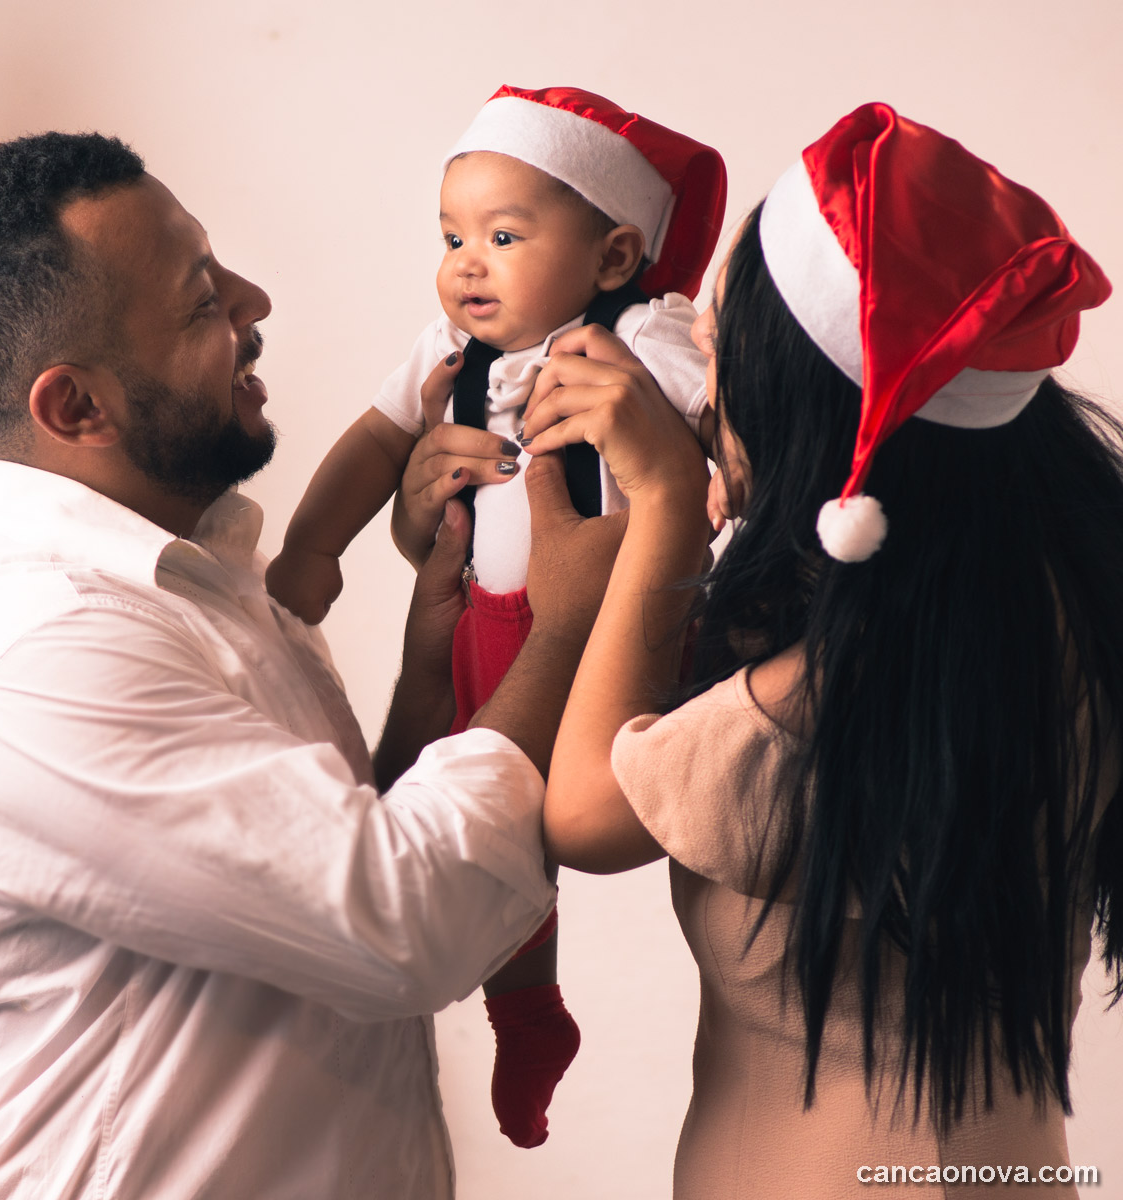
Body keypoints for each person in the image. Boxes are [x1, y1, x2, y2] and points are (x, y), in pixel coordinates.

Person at [0, 131, 622, 1200]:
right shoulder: (40, 653)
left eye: (216, 265)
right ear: (75, 407)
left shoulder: (191, 567)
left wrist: (429, 674)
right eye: (199, 302)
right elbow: (399, 918)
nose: (253, 300)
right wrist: (562, 627)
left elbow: (331, 858)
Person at [524, 103, 1121, 1197]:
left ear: (812, 419)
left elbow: (580, 816)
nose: (700, 396)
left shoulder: (822, 705)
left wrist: (661, 500)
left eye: (715, 354)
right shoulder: (1054, 604)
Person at [265, 84, 726, 1147]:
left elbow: (720, 422)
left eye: (503, 235)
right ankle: (526, 1014)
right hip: (490, 616)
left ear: (612, 257)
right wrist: (308, 547)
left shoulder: (642, 336)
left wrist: (709, 472)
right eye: (451, 235)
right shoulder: (446, 353)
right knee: (482, 817)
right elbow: (374, 442)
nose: (465, 261)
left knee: (599, 807)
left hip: (622, 622)